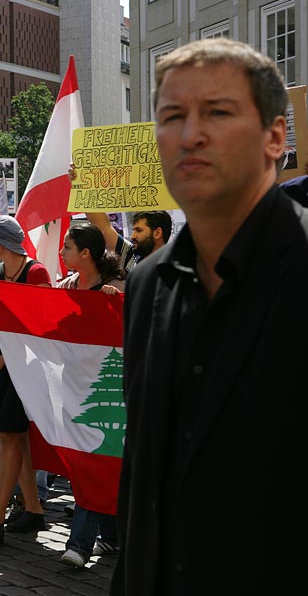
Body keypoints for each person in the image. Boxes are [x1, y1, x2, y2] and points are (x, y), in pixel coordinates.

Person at [112, 38, 307, 595]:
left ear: (275, 137)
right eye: (172, 116)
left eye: (217, 112)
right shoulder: (147, 284)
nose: (190, 135)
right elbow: (143, 475)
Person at [0, 215, 52, 545]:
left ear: (4, 242)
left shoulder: (37, 273)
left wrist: (1, 361)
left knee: (9, 436)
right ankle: (33, 509)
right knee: (15, 438)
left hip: (23, 366)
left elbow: (42, 328)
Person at [54, 223, 123, 568]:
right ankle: (111, 538)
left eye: (67, 247)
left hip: (108, 396)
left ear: (85, 253)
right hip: (74, 390)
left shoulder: (116, 288)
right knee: (92, 464)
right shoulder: (65, 287)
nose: (61, 253)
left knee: (93, 464)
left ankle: (79, 545)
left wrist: (116, 304)